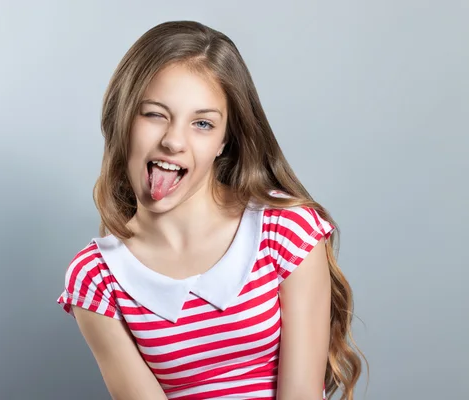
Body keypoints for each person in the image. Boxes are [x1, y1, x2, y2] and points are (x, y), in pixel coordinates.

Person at [57, 20, 365, 400]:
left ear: (224, 140)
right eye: (154, 114)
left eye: (202, 124)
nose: (173, 141)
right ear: (122, 118)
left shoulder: (285, 230)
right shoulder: (96, 279)